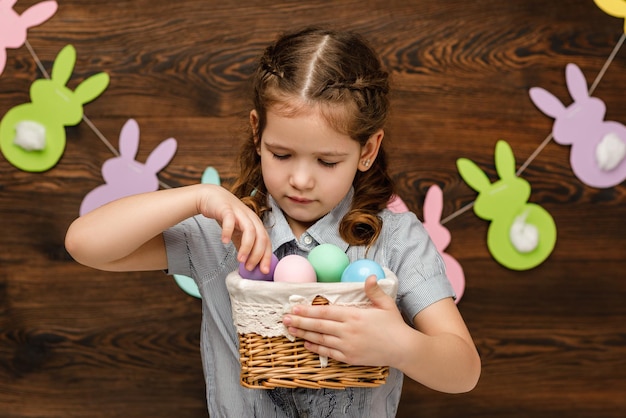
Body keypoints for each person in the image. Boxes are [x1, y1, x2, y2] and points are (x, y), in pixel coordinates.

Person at [65, 26, 480, 417]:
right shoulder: (225, 232)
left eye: (327, 161)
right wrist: (199, 196)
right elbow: (85, 244)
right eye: (282, 155)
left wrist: (401, 345)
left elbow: (464, 371)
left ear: (368, 150)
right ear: (256, 133)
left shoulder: (396, 239)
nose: (300, 179)